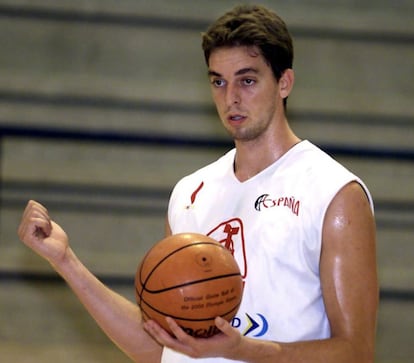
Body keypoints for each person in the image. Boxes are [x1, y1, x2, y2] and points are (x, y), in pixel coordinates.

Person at [17, 4, 378, 363]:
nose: (230, 97)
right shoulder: (189, 194)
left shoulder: (334, 194)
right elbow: (160, 347)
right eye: (218, 81)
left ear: (284, 82)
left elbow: (355, 353)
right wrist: (65, 261)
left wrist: (244, 350)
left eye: (247, 80)